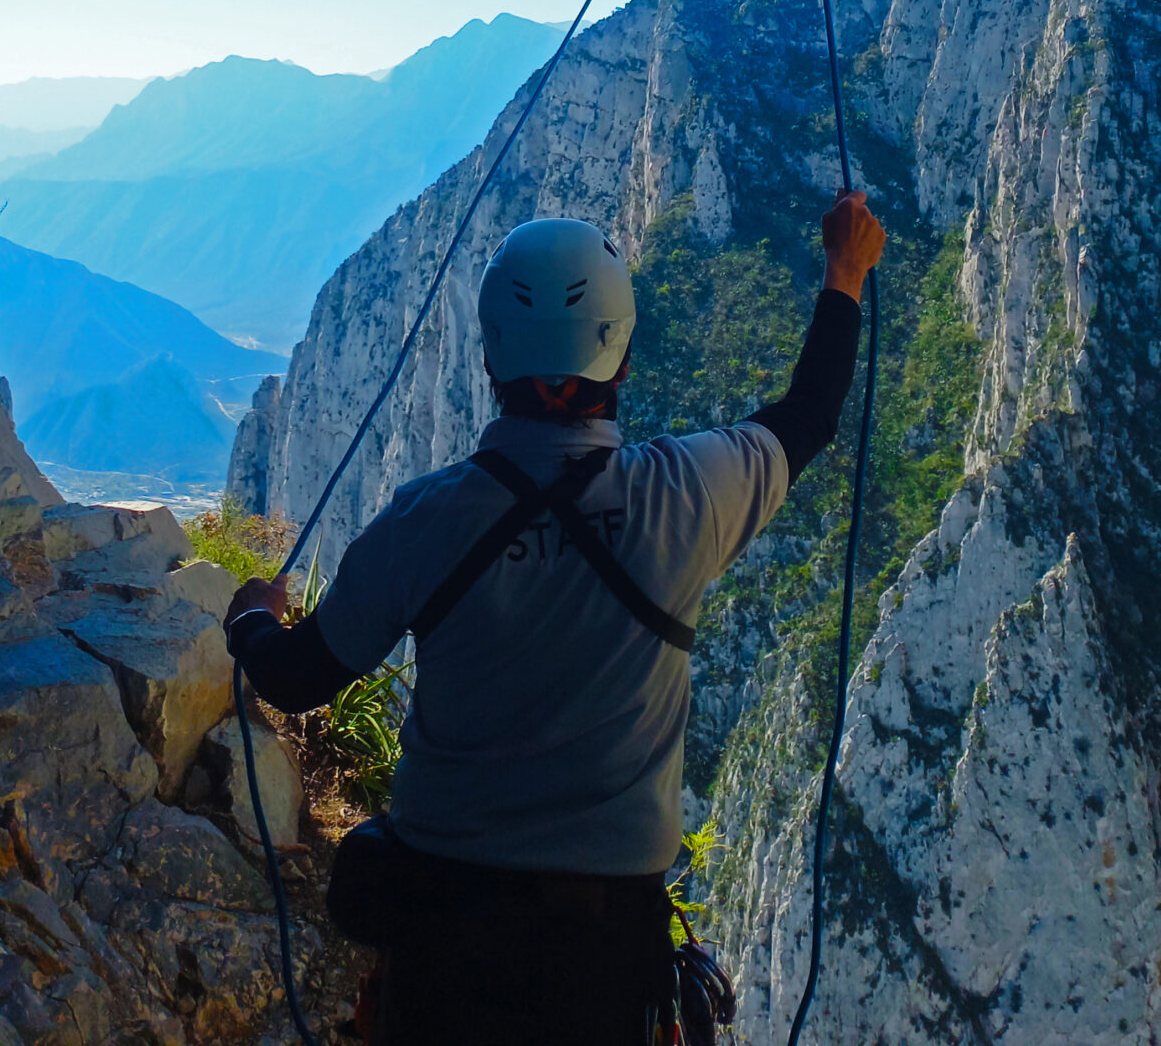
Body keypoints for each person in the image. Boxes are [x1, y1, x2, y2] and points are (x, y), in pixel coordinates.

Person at [223, 187, 886, 1046]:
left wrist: (250, 616)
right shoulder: (684, 498)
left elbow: (296, 677)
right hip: (606, 961)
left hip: (440, 942)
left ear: (491, 357)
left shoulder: (423, 519)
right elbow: (808, 415)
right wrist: (845, 272)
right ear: (622, 354)